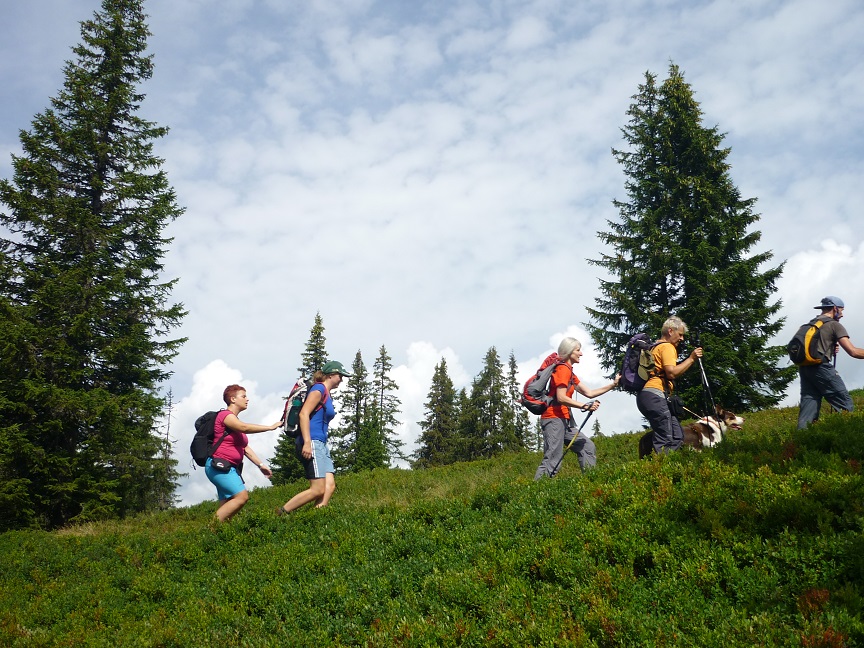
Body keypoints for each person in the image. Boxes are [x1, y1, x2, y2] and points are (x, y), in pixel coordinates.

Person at [533, 337, 620, 479]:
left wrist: (613, 385)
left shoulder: (570, 373)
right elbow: (561, 397)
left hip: (565, 421)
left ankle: (591, 482)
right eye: (578, 350)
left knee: (587, 446)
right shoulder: (562, 370)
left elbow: (589, 393)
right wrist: (584, 406)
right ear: (569, 352)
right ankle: (535, 493)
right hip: (553, 418)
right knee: (553, 460)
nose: (581, 354)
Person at [277, 360, 351, 514]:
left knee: (329, 486)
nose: (342, 379)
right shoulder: (318, 389)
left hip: (322, 444)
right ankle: (281, 513)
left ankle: (314, 519)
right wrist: (307, 443)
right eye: (340, 375)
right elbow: (304, 414)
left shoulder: (326, 393)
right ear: (331, 375)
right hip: (312, 442)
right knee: (317, 489)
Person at [206, 384, 283, 523]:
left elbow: (245, 448)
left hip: (227, 468)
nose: (247, 399)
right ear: (233, 399)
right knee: (241, 497)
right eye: (244, 396)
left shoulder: (234, 421)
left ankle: (216, 536)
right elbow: (244, 427)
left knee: (227, 504)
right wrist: (270, 427)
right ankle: (209, 530)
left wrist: (260, 465)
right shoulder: (225, 415)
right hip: (219, 465)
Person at [636, 316, 703, 455]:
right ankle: (662, 471)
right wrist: (691, 359)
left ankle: (662, 464)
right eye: (680, 335)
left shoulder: (654, 348)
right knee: (666, 438)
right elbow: (671, 373)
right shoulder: (667, 347)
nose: (682, 339)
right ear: (670, 331)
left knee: (677, 435)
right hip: (655, 395)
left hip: (647, 396)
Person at [797, 296, 864, 429]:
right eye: (841, 310)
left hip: (804, 369)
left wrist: (830, 347)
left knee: (808, 408)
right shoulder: (834, 325)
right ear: (835, 308)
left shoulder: (811, 324)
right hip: (821, 368)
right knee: (845, 403)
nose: (842, 314)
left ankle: (801, 442)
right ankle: (846, 437)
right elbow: (853, 352)